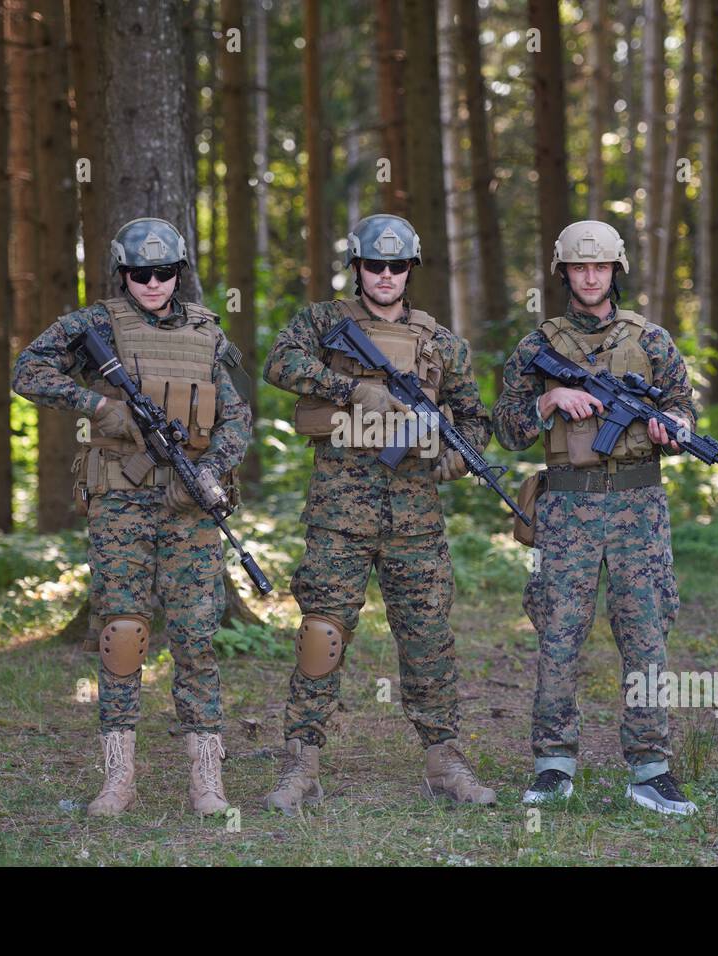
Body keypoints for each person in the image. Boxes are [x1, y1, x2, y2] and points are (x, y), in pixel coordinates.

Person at [12, 217, 252, 817]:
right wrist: (97, 404)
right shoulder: (94, 325)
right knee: (122, 635)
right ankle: (118, 780)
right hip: (120, 499)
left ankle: (206, 779)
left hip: (191, 503)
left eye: (163, 272)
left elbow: (237, 414)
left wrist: (212, 471)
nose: (151, 282)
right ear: (123, 274)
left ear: (179, 274)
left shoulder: (208, 332)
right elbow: (27, 371)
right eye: (140, 273)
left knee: (196, 637)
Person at [259, 214, 497, 815]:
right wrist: (351, 389)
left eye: (396, 266)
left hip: (416, 520)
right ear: (358, 267)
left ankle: (445, 761)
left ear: (409, 269)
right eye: (374, 265)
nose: (385, 275)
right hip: (339, 513)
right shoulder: (325, 322)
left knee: (428, 640)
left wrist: (454, 459)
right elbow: (279, 363)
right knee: (322, 634)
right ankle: (301, 763)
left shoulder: (440, 341)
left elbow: (475, 419)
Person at [492, 220, 699, 815]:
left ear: (616, 271)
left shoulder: (652, 340)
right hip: (566, 505)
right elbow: (504, 427)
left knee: (646, 636)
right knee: (559, 634)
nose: (590, 276)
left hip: (639, 507)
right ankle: (553, 765)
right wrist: (548, 400)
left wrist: (673, 430)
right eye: (579, 267)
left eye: (600, 267)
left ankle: (650, 769)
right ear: (564, 272)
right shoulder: (538, 346)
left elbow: (683, 409)